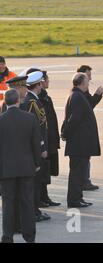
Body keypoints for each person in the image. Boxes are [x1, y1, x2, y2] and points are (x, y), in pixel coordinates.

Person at [0, 89, 41, 243]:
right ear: (18, 101)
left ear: (6, 102)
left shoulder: (1, 120)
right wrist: (37, 163)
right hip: (26, 168)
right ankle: (29, 236)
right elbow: (35, 144)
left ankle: (7, 236)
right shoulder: (29, 118)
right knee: (27, 203)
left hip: (6, 170)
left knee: (8, 204)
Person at [62, 73, 101, 208]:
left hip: (80, 143)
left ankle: (77, 198)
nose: (88, 84)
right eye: (87, 82)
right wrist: (65, 133)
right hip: (79, 144)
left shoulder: (77, 95)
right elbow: (74, 120)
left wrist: (98, 95)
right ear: (82, 83)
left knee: (78, 173)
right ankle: (74, 200)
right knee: (77, 174)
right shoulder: (77, 97)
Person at [22, 71, 51, 222]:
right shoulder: (31, 103)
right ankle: (34, 211)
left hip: (36, 147)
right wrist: (41, 147)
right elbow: (35, 129)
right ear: (38, 85)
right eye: (40, 84)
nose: (42, 87)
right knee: (34, 182)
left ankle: (35, 210)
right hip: (35, 149)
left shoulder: (34, 100)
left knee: (36, 181)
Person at [76, 65, 103, 191]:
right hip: (83, 132)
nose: (90, 78)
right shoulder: (80, 92)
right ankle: (84, 181)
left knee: (86, 157)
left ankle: (85, 180)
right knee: (84, 158)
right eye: (88, 75)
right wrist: (97, 94)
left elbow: (89, 105)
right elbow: (89, 106)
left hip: (85, 130)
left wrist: (98, 94)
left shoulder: (83, 91)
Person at [38, 71, 61, 207]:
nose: (48, 82)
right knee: (42, 171)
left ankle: (45, 196)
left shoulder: (46, 97)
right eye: (47, 79)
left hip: (50, 140)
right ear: (41, 82)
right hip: (44, 141)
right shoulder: (38, 100)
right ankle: (41, 198)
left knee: (46, 171)